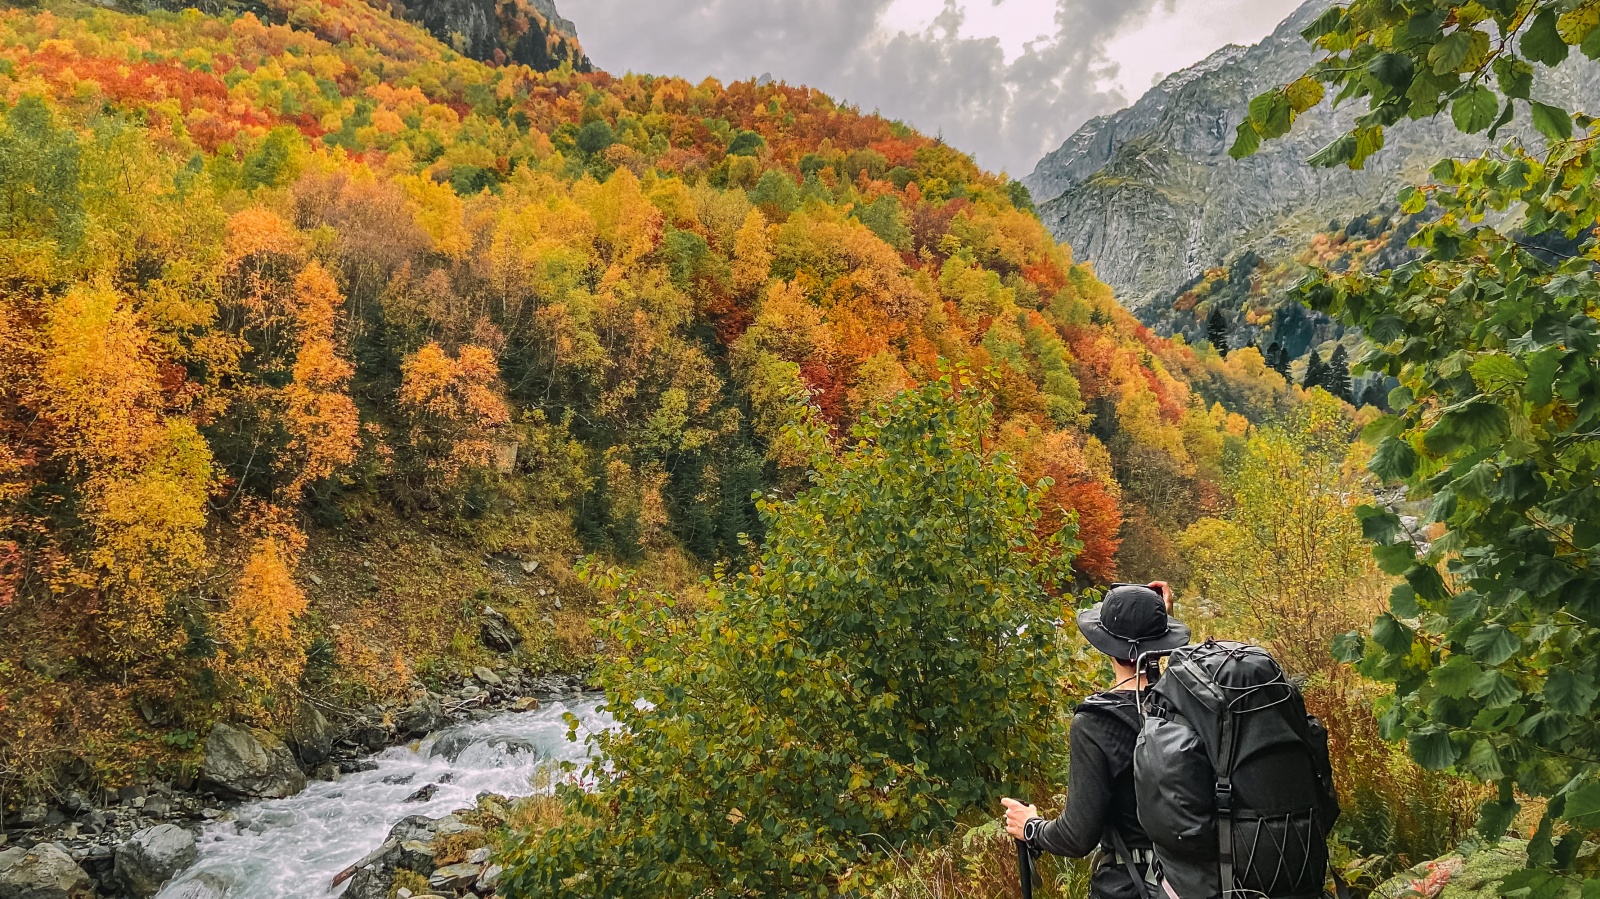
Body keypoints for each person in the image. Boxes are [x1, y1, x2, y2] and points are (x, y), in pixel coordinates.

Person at [1001, 582, 1190, 899]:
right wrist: (1158, 621)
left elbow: (1077, 837)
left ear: (1105, 646)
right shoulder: (1193, 704)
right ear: (1164, 644)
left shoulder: (1097, 723)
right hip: (1201, 883)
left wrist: (1030, 826)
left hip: (1136, 887)